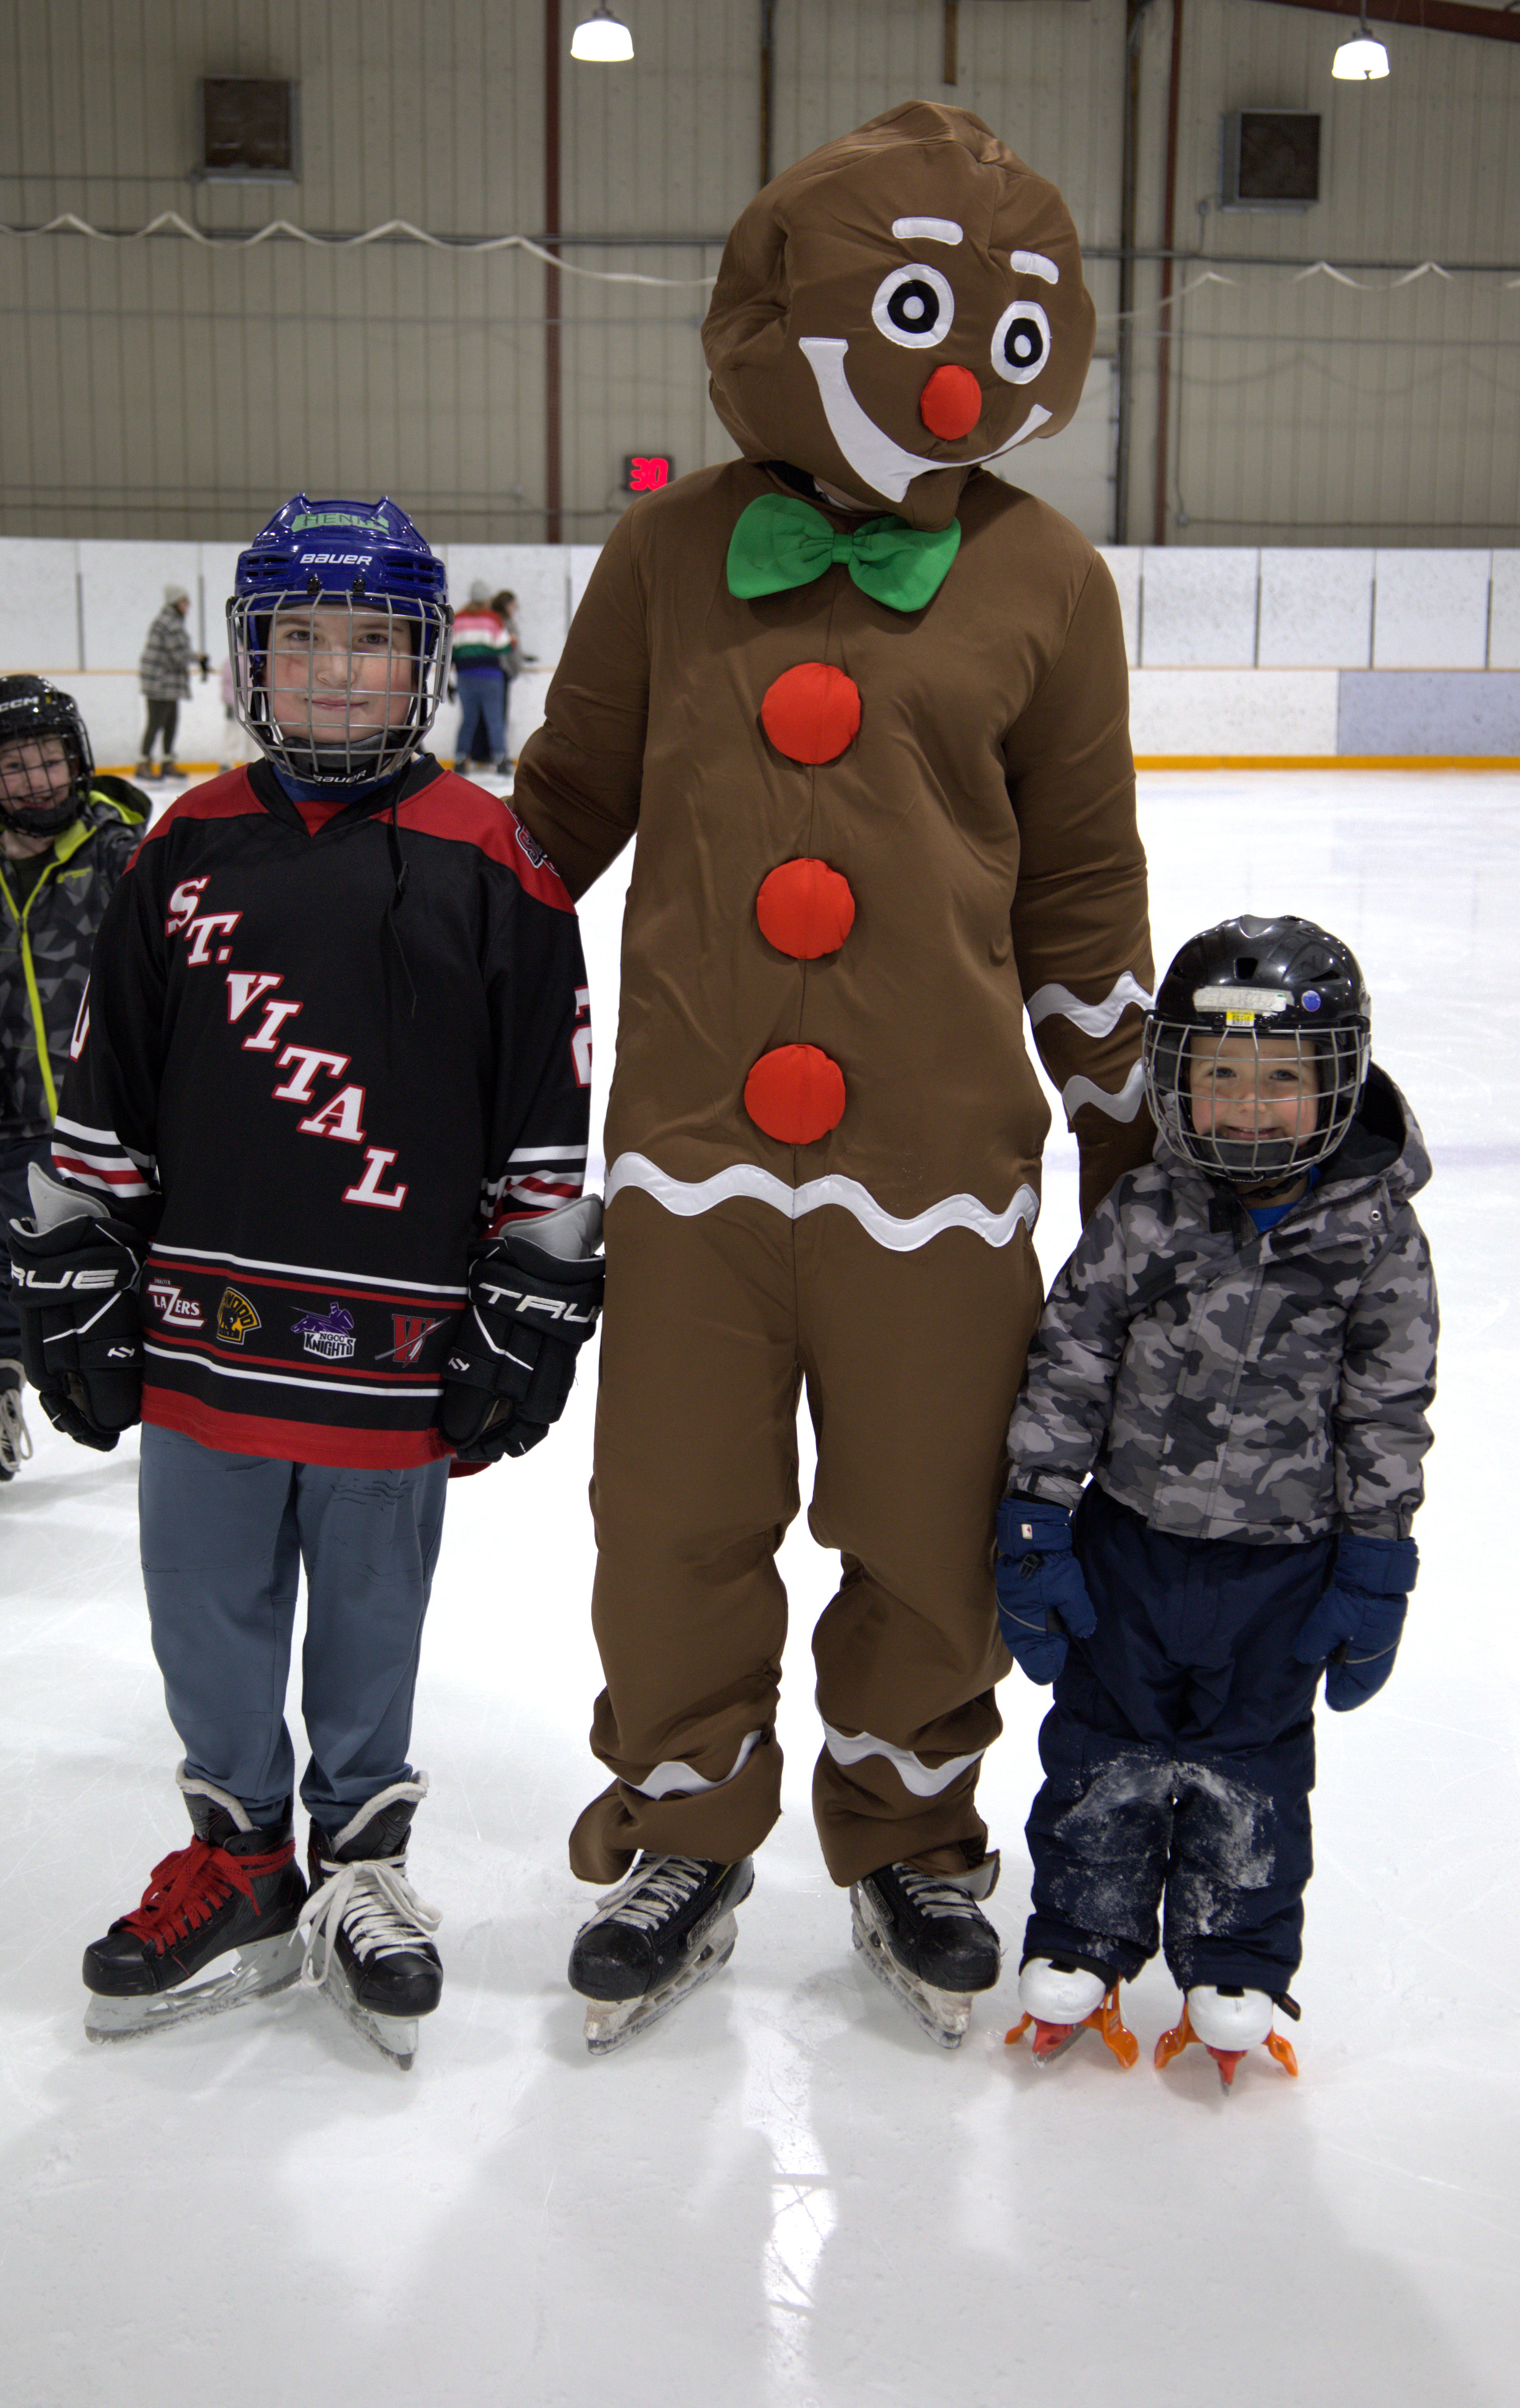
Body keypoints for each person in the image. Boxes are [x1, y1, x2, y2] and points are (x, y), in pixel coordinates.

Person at [511, 102, 1155, 2054]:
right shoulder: (669, 547)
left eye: (1002, 337)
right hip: (697, 1168)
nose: (958, 372)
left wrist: (1133, 1144)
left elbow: (1077, 876)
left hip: (940, 1165)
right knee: (672, 1517)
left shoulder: (1046, 580)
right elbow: (559, 817)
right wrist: (384, 930)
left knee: (922, 1521)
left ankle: (906, 1825)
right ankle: (685, 1820)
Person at [11, 495, 600, 2065]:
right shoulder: (185, 844)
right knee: (202, 1606)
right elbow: (107, 1079)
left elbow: (550, 1108)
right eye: (303, 641)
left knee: (366, 1623)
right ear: (248, 659)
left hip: (392, 1348)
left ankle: (356, 1864)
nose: (338, 676)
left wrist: (534, 1298)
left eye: (374, 645)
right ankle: (241, 1858)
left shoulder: (499, 861)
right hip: (201, 1336)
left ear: (428, 667)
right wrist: (71, 1256)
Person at [997, 915, 1437, 2088]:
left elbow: (1386, 1407)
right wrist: (1037, 1521)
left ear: (1336, 1080)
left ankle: (1232, 1961)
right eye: (1221, 1077)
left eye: (1281, 1080)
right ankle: (1081, 1941)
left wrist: (1374, 1562)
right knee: (1098, 1749)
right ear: (1179, 1085)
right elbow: (1069, 1362)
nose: (1248, 1107)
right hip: (1128, 1547)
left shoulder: (1376, 1238)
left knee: (1253, 1768)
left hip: (1281, 1568)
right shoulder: (1146, 1213)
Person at [0, 675, 146, 1499]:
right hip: (23, 1113)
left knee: (164, 1248)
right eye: (14, 766)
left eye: (49, 760)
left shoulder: (124, 853)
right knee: (21, 1256)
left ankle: (181, 1398)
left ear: (79, 762)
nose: (35, 780)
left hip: (132, 1107)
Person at [137, 585, 208, 781]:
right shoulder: (171, 624)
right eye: (185, 601)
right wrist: (198, 657)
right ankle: (143, 763)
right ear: (175, 603)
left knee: (170, 723)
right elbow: (179, 655)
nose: (189, 606)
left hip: (165, 684)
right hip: (161, 684)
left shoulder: (169, 621)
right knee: (157, 723)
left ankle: (167, 762)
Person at [450, 583, 518, 773]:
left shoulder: (459, 619)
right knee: (495, 720)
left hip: (465, 676)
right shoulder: (493, 619)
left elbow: (451, 650)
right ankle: (501, 760)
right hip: (491, 676)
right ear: (487, 599)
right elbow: (505, 645)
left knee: (469, 720)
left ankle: (461, 759)